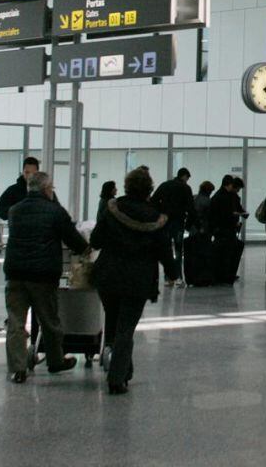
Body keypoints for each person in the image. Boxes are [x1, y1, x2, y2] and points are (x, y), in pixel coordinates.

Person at [90, 168, 174, 395]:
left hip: (108, 276)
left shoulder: (112, 209)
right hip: (138, 279)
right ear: (149, 189)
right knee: (126, 328)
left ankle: (122, 369)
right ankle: (117, 378)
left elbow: (96, 240)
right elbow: (164, 250)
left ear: (126, 186)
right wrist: (172, 271)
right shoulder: (155, 217)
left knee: (114, 322)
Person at [3, 171, 89, 384]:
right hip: (42, 274)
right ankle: (55, 360)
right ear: (46, 189)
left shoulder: (15, 210)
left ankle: (17, 368)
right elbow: (73, 240)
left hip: (15, 274)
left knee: (15, 322)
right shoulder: (55, 211)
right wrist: (86, 250)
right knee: (49, 320)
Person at [150, 167, 196, 287]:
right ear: (185, 176)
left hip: (165, 223)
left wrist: (160, 213)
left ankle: (168, 278)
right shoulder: (186, 188)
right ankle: (179, 278)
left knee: (167, 250)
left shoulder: (165, 185)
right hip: (178, 222)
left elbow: (153, 200)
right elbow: (191, 207)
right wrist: (189, 223)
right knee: (178, 250)